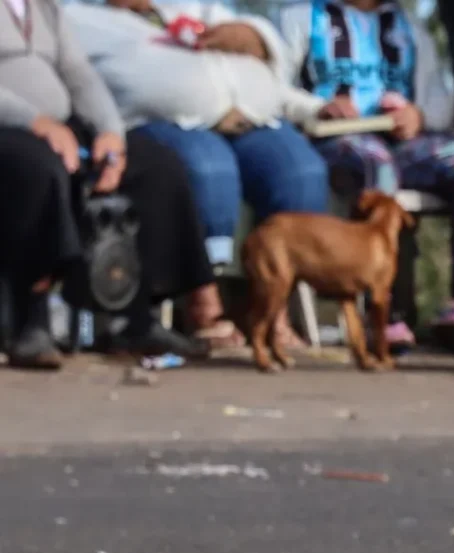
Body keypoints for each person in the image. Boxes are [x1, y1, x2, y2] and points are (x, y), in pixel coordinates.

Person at [65, 0, 334, 350]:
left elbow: (269, 50)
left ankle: (273, 312)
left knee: (300, 171)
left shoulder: (193, 5)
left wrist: (253, 38)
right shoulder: (78, 16)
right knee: (208, 168)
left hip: (255, 117)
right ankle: (204, 305)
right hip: (156, 122)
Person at [274, 0, 454, 353]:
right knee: (376, 163)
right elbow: (272, 87)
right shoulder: (301, 18)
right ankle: (385, 308)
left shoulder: (409, 27)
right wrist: (317, 107)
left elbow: (441, 97)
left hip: (402, 143)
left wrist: (419, 114)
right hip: (335, 144)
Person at [0, 0, 211, 369]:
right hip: (12, 127)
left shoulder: (44, 7)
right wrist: (37, 123)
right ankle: (29, 321)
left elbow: (79, 74)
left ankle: (133, 314)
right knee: (39, 169)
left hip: (58, 125)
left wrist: (111, 133)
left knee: (157, 166)